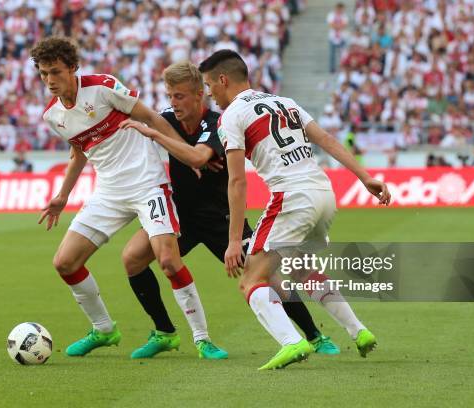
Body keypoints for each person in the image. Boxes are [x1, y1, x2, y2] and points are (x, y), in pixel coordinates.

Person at [119, 61, 339, 359]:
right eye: (170, 96)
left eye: (180, 96)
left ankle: (314, 335)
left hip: (221, 219)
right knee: (133, 258)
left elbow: (197, 158)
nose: (173, 103)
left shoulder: (219, 123)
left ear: (200, 94)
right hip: (180, 214)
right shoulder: (166, 119)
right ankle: (165, 332)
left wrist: (162, 139)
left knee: (268, 278)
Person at [199, 50, 391, 370]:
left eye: (209, 85)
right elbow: (326, 139)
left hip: (291, 198)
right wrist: (365, 176)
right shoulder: (285, 102)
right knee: (302, 270)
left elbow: (236, 182)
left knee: (251, 279)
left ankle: (292, 341)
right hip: (323, 194)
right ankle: (359, 332)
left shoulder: (231, 117)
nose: (210, 94)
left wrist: (234, 240)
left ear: (223, 80)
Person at [32, 37, 221, 358]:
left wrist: (189, 155)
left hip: (148, 183)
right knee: (64, 262)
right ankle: (104, 329)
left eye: (56, 72)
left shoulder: (103, 87)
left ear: (73, 68)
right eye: (43, 73)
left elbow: (153, 118)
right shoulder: (53, 115)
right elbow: (79, 151)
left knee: (169, 262)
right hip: (108, 192)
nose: (50, 80)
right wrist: (62, 195)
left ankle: (202, 339)